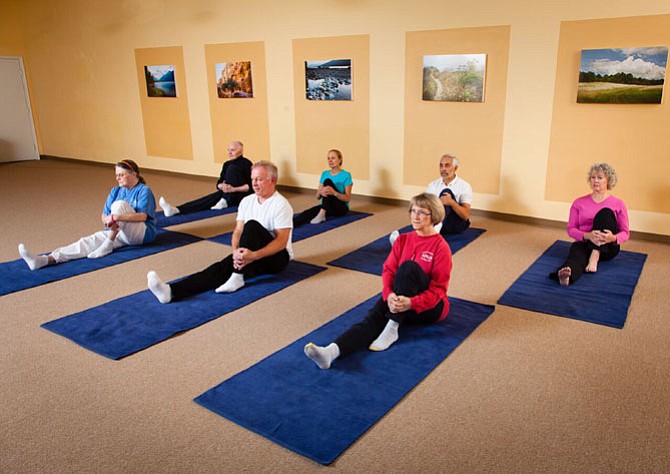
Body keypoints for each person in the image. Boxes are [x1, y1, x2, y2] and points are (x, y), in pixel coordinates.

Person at [304, 193, 452, 369]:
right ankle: (331, 352)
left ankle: (393, 325)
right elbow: (388, 270)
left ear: (434, 215)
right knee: (373, 317)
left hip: (430, 307)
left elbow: (439, 290)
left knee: (408, 268)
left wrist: (412, 302)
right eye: (413, 211)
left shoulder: (440, 247)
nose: (415, 216)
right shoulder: (403, 240)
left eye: (422, 212)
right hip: (399, 300)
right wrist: (388, 295)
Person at [148, 161, 293, 303]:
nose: (254, 183)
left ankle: (237, 274)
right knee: (220, 268)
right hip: (249, 255)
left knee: (252, 226)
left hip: (276, 259)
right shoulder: (247, 201)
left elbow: (281, 242)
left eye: (259, 179)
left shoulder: (281, 204)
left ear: (272, 180)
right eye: (252, 179)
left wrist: (253, 256)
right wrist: (236, 253)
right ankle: (171, 291)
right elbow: (237, 231)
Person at [18, 160, 157, 270]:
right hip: (120, 231)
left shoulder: (143, 190)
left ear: (133, 174)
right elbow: (104, 216)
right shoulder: (115, 190)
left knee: (119, 206)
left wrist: (116, 218)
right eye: (116, 175)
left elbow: (142, 217)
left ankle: (108, 244)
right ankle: (46, 260)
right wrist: (109, 221)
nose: (118, 178)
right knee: (86, 242)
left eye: (121, 175)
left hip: (142, 233)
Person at [550, 163, 629, 286]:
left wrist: (613, 238)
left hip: (608, 247)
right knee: (576, 255)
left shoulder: (618, 204)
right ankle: (567, 275)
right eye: (593, 177)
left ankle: (595, 254)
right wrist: (588, 236)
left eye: (600, 177)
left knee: (605, 213)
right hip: (585, 242)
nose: (595, 181)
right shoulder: (579, 202)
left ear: (608, 180)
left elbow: (625, 233)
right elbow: (571, 229)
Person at [390, 153, 472, 244]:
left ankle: (430, 232)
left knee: (446, 192)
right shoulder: (433, 185)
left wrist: (452, 203)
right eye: (441, 165)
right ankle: (403, 238)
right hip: (435, 220)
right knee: (426, 207)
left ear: (455, 168)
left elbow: (465, 216)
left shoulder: (464, 186)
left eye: (447, 165)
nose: (443, 169)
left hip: (455, 225)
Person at [159, 141, 252, 216]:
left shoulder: (247, 164)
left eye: (232, 150)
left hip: (241, 195)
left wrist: (233, 189)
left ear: (240, 152)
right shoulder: (226, 164)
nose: (229, 153)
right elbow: (218, 183)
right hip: (226, 193)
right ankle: (176, 210)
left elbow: (251, 186)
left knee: (233, 168)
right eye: (228, 150)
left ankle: (225, 199)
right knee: (205, 201)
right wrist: (222, 186)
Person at [292, 149, 353, 226]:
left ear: (340, 160)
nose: (330, 160)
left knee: (327, 181)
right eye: (328, 158)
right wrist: (320, 192)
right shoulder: (325, 173)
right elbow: (317, 196)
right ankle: (289, 225)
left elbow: (347, 198)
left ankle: (322, 213)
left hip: (340, 208)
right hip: (327, 206)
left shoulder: (346, 175)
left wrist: (334, 193)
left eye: (333, 158)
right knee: (307, 213)